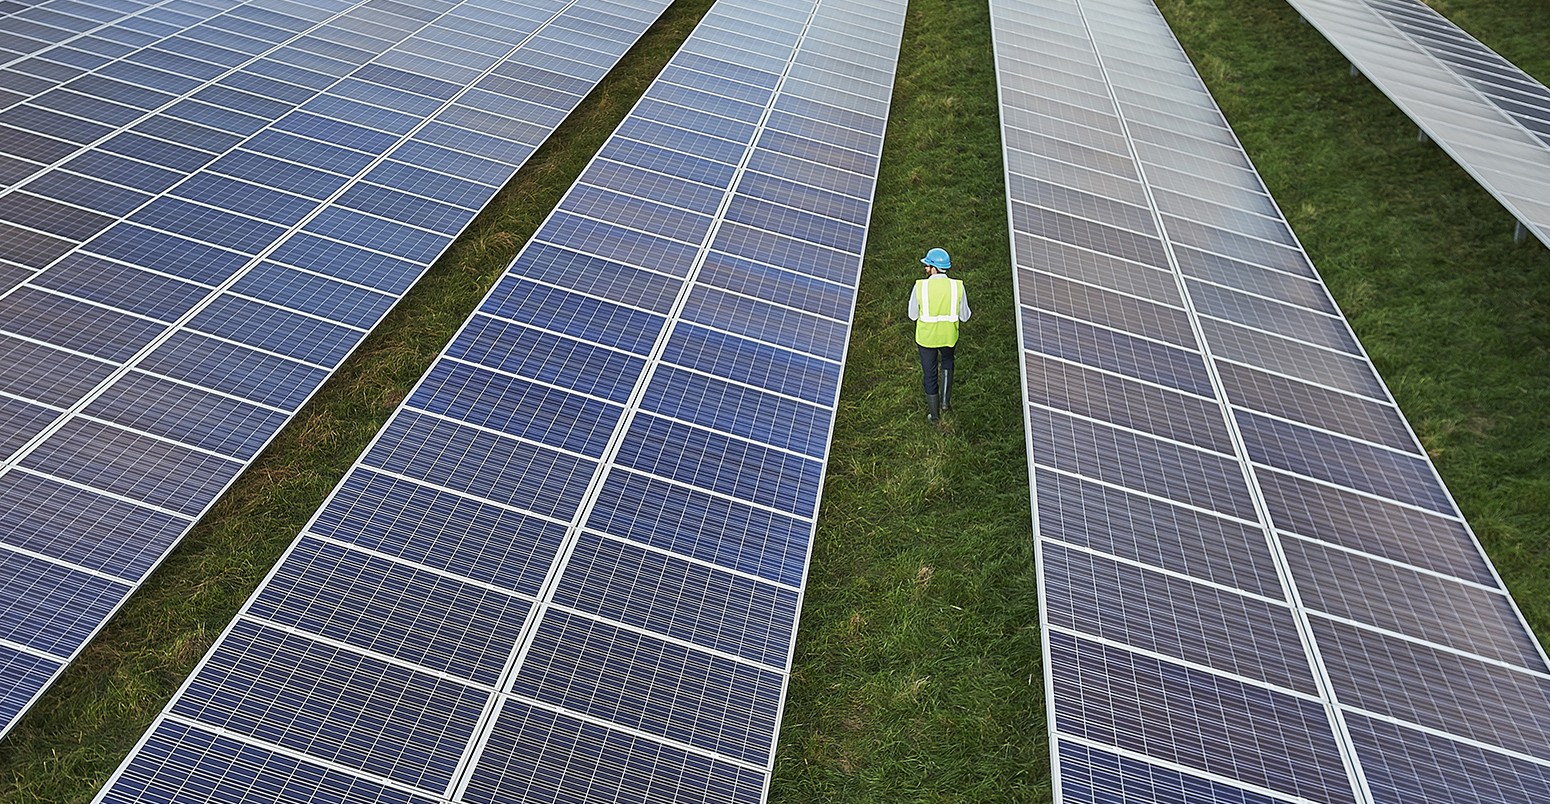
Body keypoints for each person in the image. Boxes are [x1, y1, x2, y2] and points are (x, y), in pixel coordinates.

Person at [907, 247, 969, 423]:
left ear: (934, 268)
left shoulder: (920, 286)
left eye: (927, 266)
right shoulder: (957, 286)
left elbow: (912, 315)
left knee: (930, 374)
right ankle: (944, 403)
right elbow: (965, 316)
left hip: (926, 339)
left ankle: (934, 416)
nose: (925, 269)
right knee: (947, 362)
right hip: (949, 337)